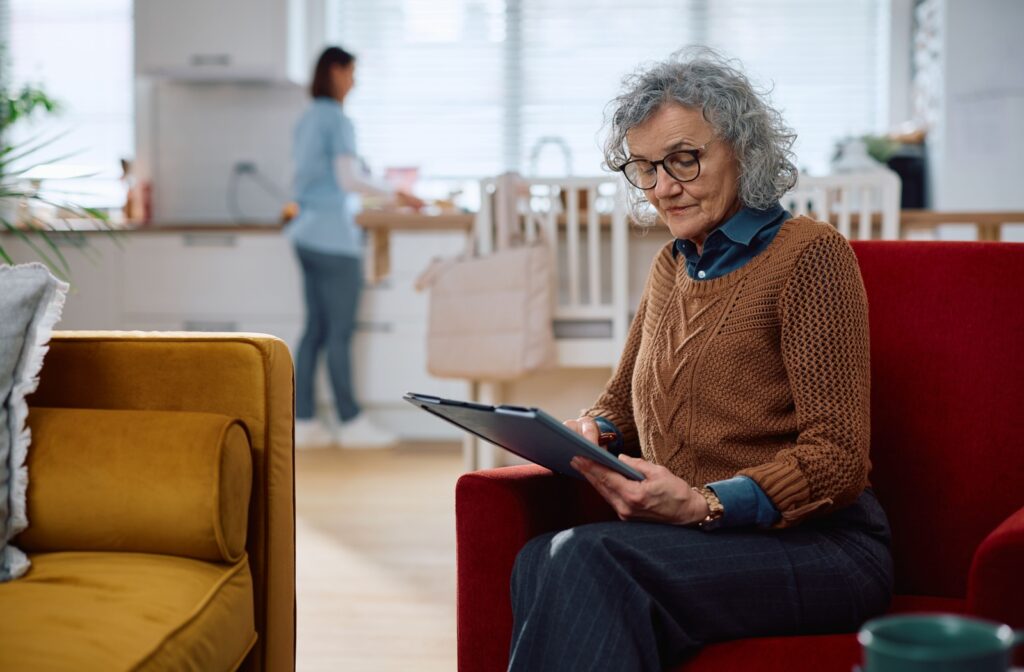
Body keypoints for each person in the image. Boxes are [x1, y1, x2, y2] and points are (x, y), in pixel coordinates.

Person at [508, 47, 893, 671]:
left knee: (586, 559)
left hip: (824, 548)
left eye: (683, 159)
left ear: (744, 148)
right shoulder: (672, 264)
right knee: (537, 558)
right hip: (703, 542)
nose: (663, 188)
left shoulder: (810, 256)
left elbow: (839, 457)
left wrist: (706, 503)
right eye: (645, 168)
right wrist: (589, 431)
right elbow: (618, 404)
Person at [287, 46, 423, 449]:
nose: (355, 82)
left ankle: (304, 421)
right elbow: (348, 179)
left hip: (305, 233)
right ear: (335, 71)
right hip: (332, 239)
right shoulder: (337, 119)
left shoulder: (306, 119)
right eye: (351, 73)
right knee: (339, 333)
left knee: (315, 330)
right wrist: (398, 193)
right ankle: (350, 422)